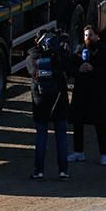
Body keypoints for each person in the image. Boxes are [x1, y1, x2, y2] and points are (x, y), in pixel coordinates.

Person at [67, 25, 106, 167]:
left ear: (97, 36)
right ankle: (78, 152)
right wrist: (78, 69)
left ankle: (104, 155)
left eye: (91, 35)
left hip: (97, 94)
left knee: (100, 124)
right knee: (77, 122)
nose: (88, 38)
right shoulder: (80, 51)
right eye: (86, 35)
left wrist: (94, 69)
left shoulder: (103, 52)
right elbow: (69, 68)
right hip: (81, 93)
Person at [26, 32, 70, 180]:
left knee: (41, 138)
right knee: (61, 139)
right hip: (59, 101)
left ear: (36, 41)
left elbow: (34, 73)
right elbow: (69, 68)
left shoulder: (32, 57)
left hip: (40, 102)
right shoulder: (59, 56)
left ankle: (39, 171)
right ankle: (63, 171)